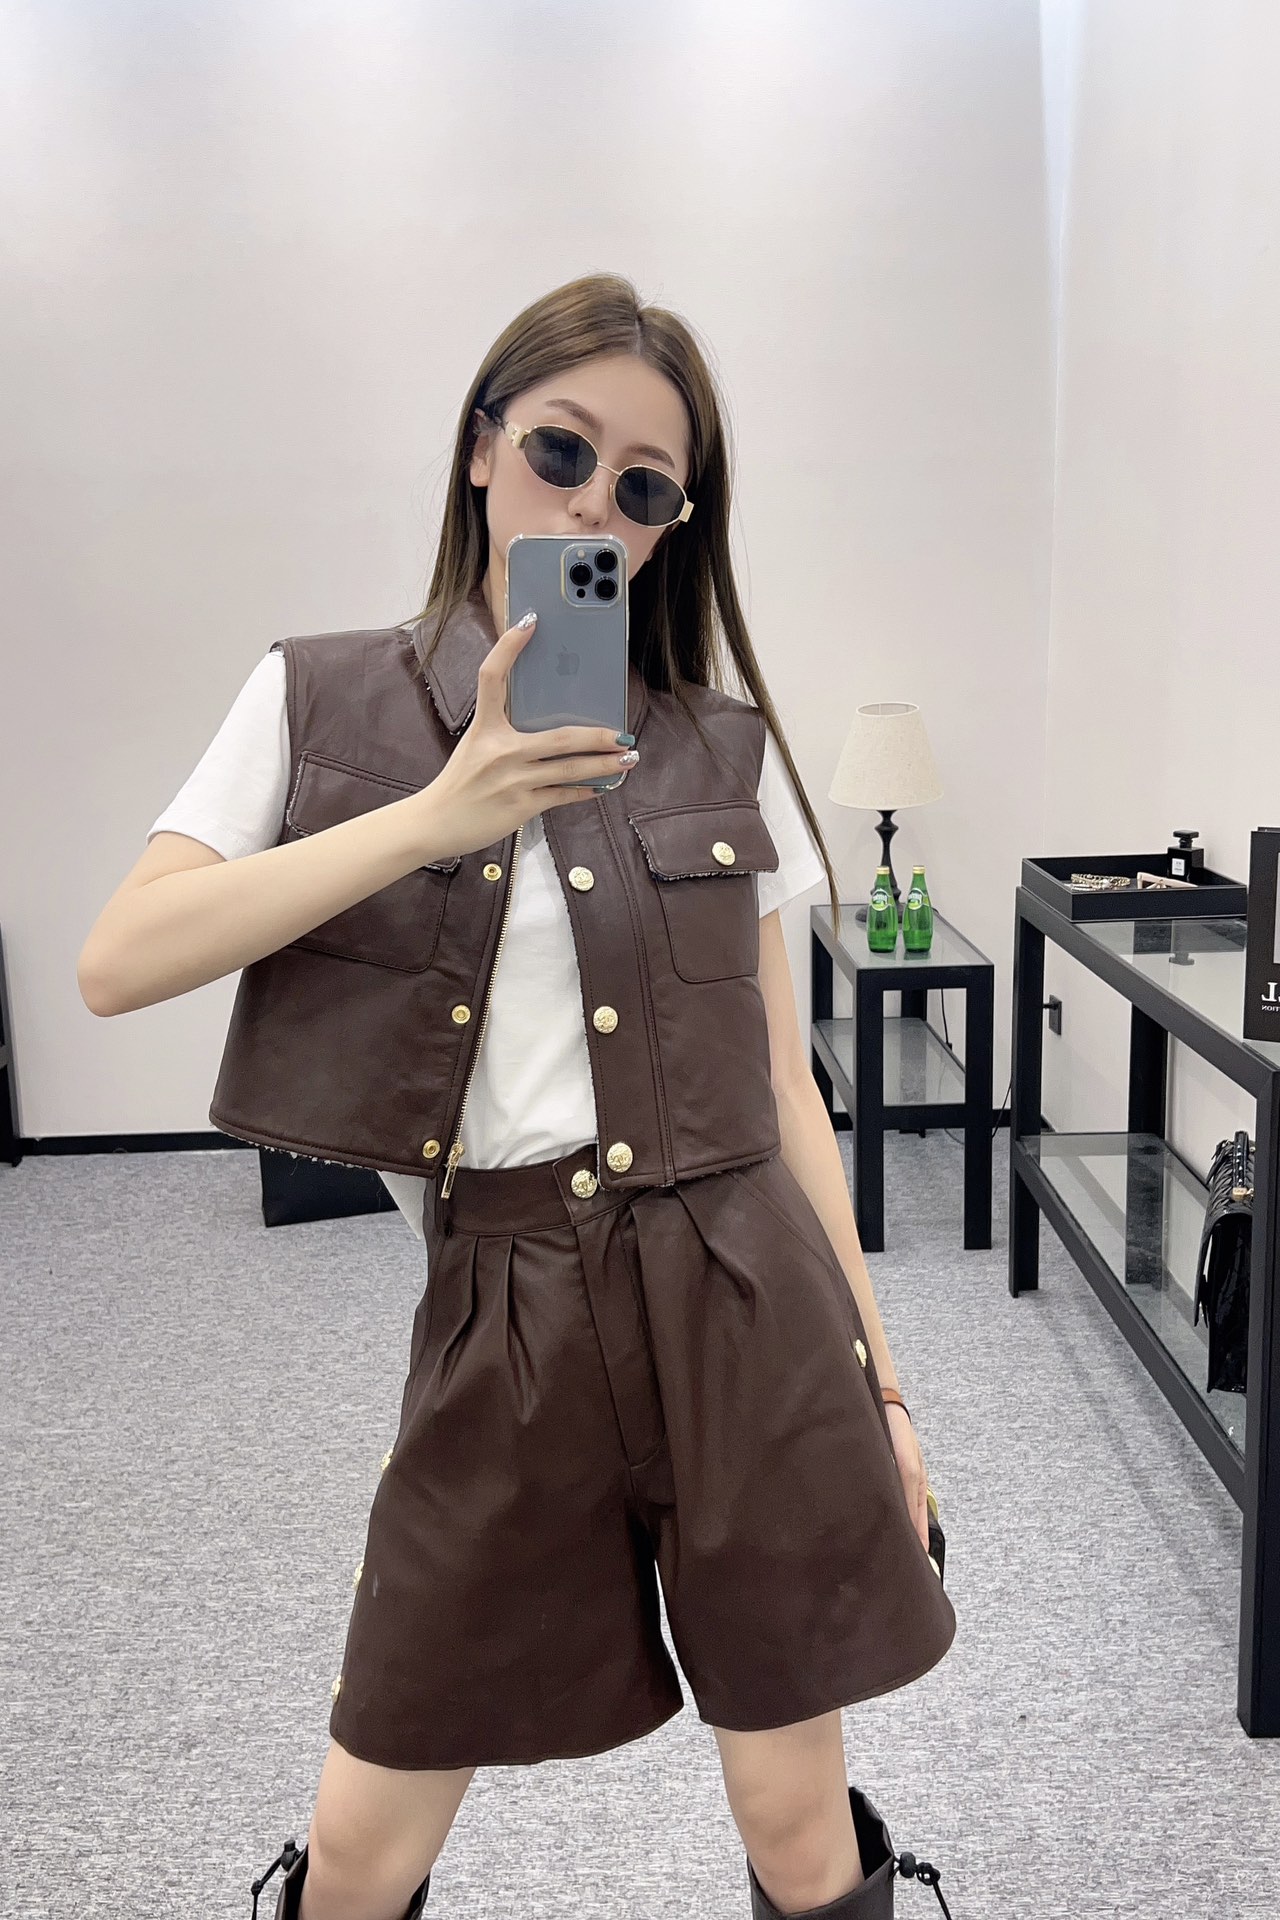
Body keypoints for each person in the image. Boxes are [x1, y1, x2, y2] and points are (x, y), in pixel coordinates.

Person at [78, 273, 956, 1920]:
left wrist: (887, 1393)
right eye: (562, 450)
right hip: (506, 1302)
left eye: (644, 487)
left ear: (674, 527)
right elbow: (120, 960)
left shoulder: (720, 748)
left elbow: (787, 1086)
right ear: (481, 449)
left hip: (742, 1297)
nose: (593, 507)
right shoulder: (321, 698)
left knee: (796, 1821)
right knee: (363, 1842)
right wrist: (437, 814)